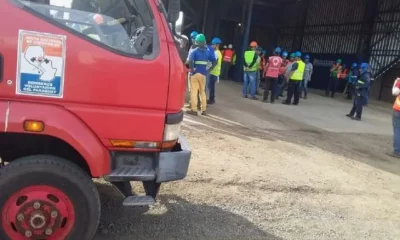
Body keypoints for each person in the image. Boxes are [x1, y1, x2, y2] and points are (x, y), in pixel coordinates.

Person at [187, 34, 216, 116]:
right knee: (202, 92)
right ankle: (203, 110)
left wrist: (192, 70)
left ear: (196, 42)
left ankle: (194, 110)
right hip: (203, 74)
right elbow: (214, 61)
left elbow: (190, 61)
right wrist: (209, 69)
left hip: (195, 74)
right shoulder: (207, 52)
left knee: (194, 92)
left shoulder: (194, 51)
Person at [208, 37, 223, 104]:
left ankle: (212, 99)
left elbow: (215, 62)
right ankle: (212, 98)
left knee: (211, 86)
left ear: (216, 45)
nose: (212, 46)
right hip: (215, 72)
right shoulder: (218, 52)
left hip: (213, 72)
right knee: (211, 86)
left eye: (213, 45)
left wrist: (209, 69)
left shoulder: (216, 53)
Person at [389, 78, 400, 158]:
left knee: (397, 130)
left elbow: (394, 92)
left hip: (398, 109)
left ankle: (397, 151)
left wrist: (395, 83)